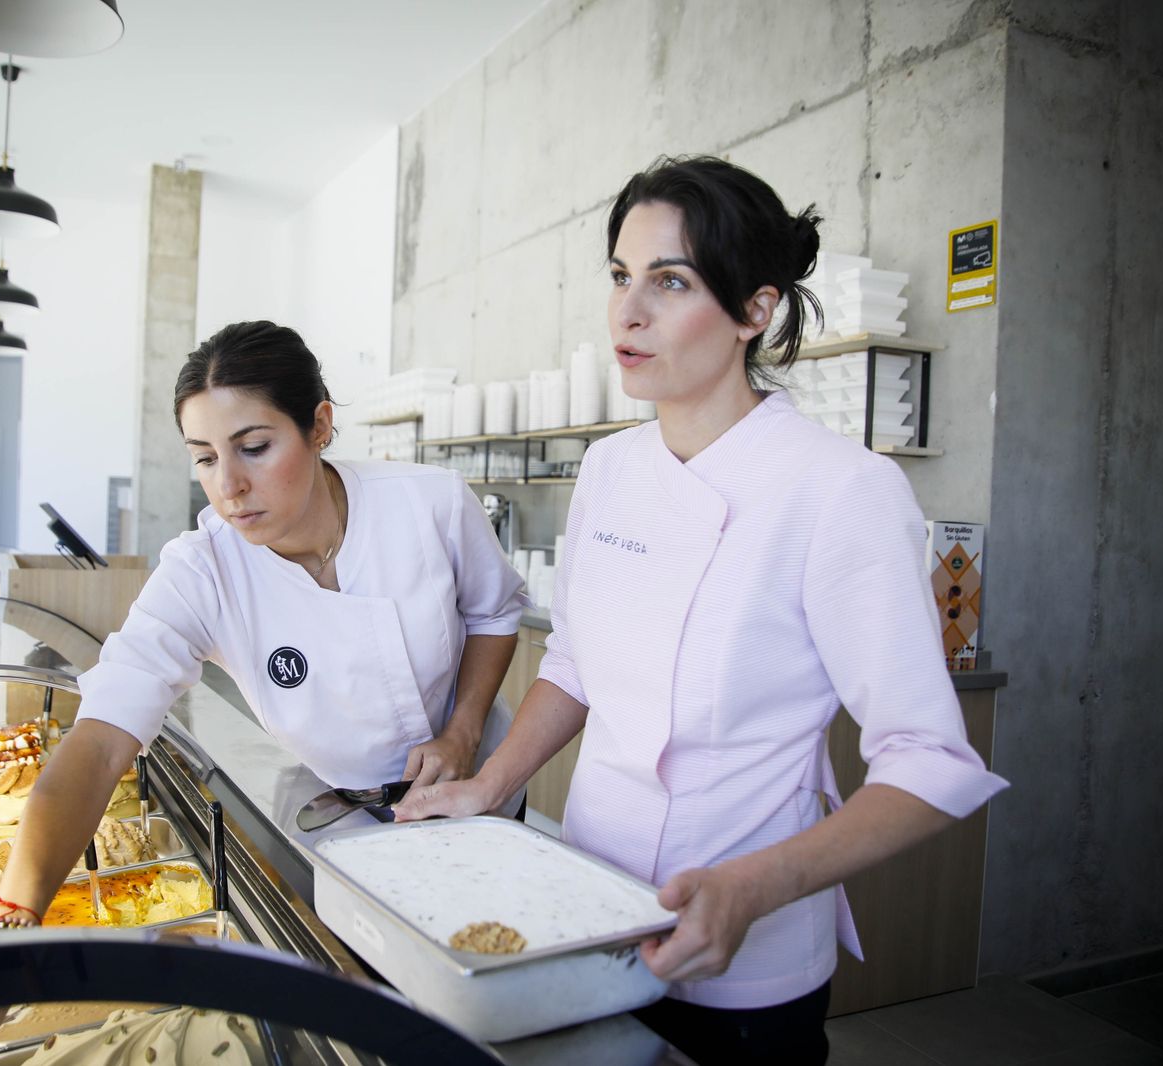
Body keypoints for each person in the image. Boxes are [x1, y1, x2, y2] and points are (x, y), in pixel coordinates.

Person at [393, 156, 1008, 1065]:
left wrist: (754, 888)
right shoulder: (611, 468)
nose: (627, 312)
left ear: (755, 310)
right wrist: (490, 787)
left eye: (669, 281)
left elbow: (930, 761)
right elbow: (574, 663)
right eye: (619, 277)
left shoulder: (840, 490)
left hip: (743, 955)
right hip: (584, 909)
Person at [0, 320, 526, 1066]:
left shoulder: (428, 504)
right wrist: (10, 923)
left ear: (321, 424)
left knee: (505, 1008)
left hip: (482, 799)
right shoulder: (203, 573)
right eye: (205, 459)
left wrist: (461, 731)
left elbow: (494, 614)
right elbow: (101, 742)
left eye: (254, 448)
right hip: (356, 833)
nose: (229, 487)